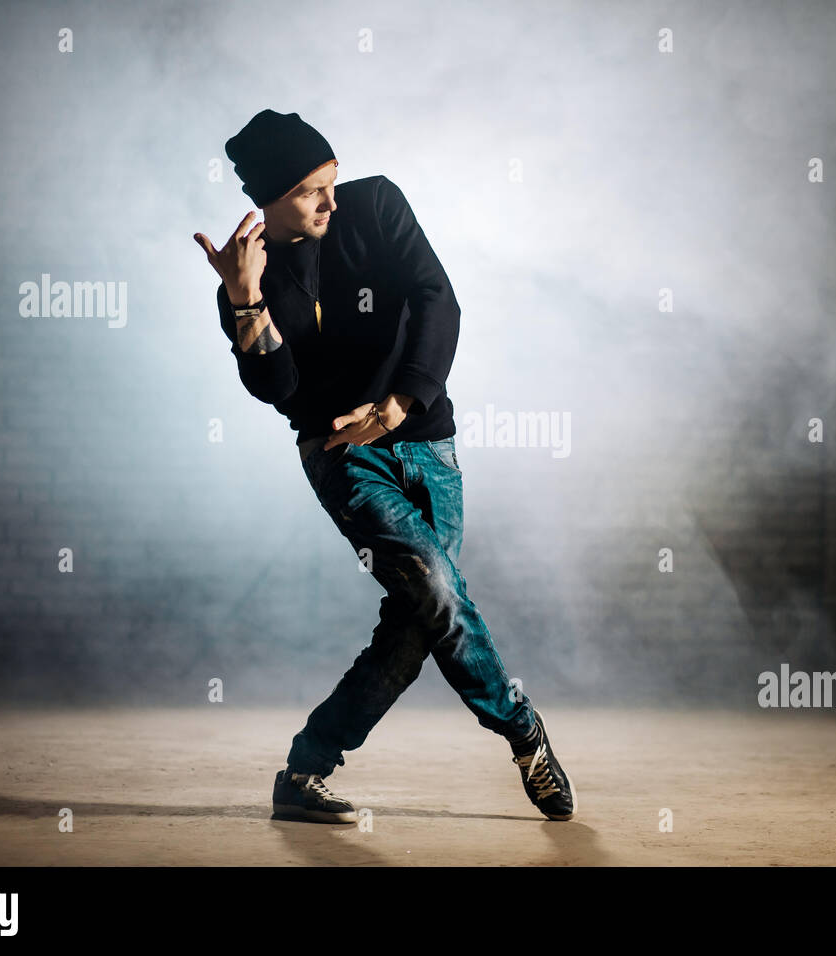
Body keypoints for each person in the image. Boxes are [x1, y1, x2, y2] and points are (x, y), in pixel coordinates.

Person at [192, 110, 577, 824]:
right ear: (270, 201)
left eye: (332, 182)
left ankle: (304, 770)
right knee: (434, 589)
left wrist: (401, 402)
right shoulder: (246, 279)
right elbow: (281, 391)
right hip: (342, 457)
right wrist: (246, 302)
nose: (331, 202)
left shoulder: (375, 205)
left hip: (427, 437)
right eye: (312, 191)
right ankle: (522, 729)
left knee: (415, 626)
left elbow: (439, 297)